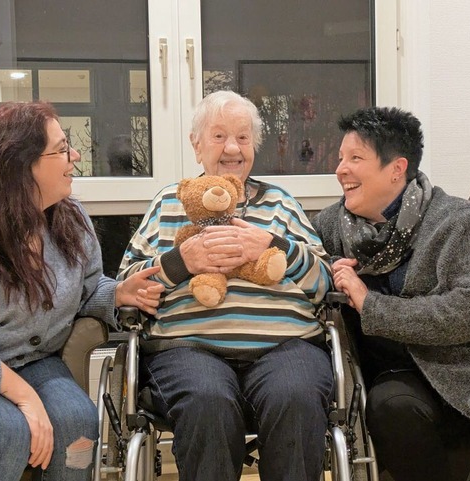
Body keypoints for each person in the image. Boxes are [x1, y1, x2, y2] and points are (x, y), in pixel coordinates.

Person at [0, 101, 164, 481]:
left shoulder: (70, 217)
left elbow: (85, 289)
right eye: (63, 148)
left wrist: (117, 294)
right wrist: (25, 398)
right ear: (21, 164)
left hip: (33, 362)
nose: (76, 155)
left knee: (78, 424)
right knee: (5, 433)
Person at [312, 106, 470, 481]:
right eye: (341, 158)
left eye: (355, 158)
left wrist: (369, 302)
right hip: (409, 371)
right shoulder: (331, 226)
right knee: (389, 405)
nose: (340, 169)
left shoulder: (457, 219)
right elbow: (294, 255)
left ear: (396, 168)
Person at [117, 90, 333, 481]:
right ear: (196, 145)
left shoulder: (282, 205)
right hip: (188, 348)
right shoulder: (169, 202)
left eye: (243, 137)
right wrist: (183, 262)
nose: (232, 148)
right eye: (218, 136)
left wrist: (274, 245)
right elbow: (126, 288)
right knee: (208, 402)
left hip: (285, 346)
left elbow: (324, 283)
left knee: (296, 397)